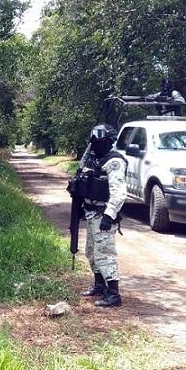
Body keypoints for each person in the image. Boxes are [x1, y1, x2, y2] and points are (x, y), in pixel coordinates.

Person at [79, 124, 127, 307]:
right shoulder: (95, 160)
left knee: (105, 254)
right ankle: (99, 285)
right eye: (93, 143)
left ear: (108, 142)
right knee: (91, 252)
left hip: (103, 214)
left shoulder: (114, 162)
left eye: (99, 142)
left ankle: (114, 294)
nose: (96, 146)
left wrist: (109, 215)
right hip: (92, 213)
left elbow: (119, 192)